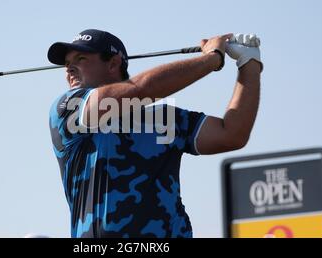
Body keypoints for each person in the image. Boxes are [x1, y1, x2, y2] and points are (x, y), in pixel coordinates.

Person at [47, 29, 262, 238]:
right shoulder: (69, 108)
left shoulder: (163, 119)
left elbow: (232, 135)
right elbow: (140, 89)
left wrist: (249, 63)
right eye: (67, 64)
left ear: (113, 63)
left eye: (81, 58)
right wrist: (212, 58)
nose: (69, 69)